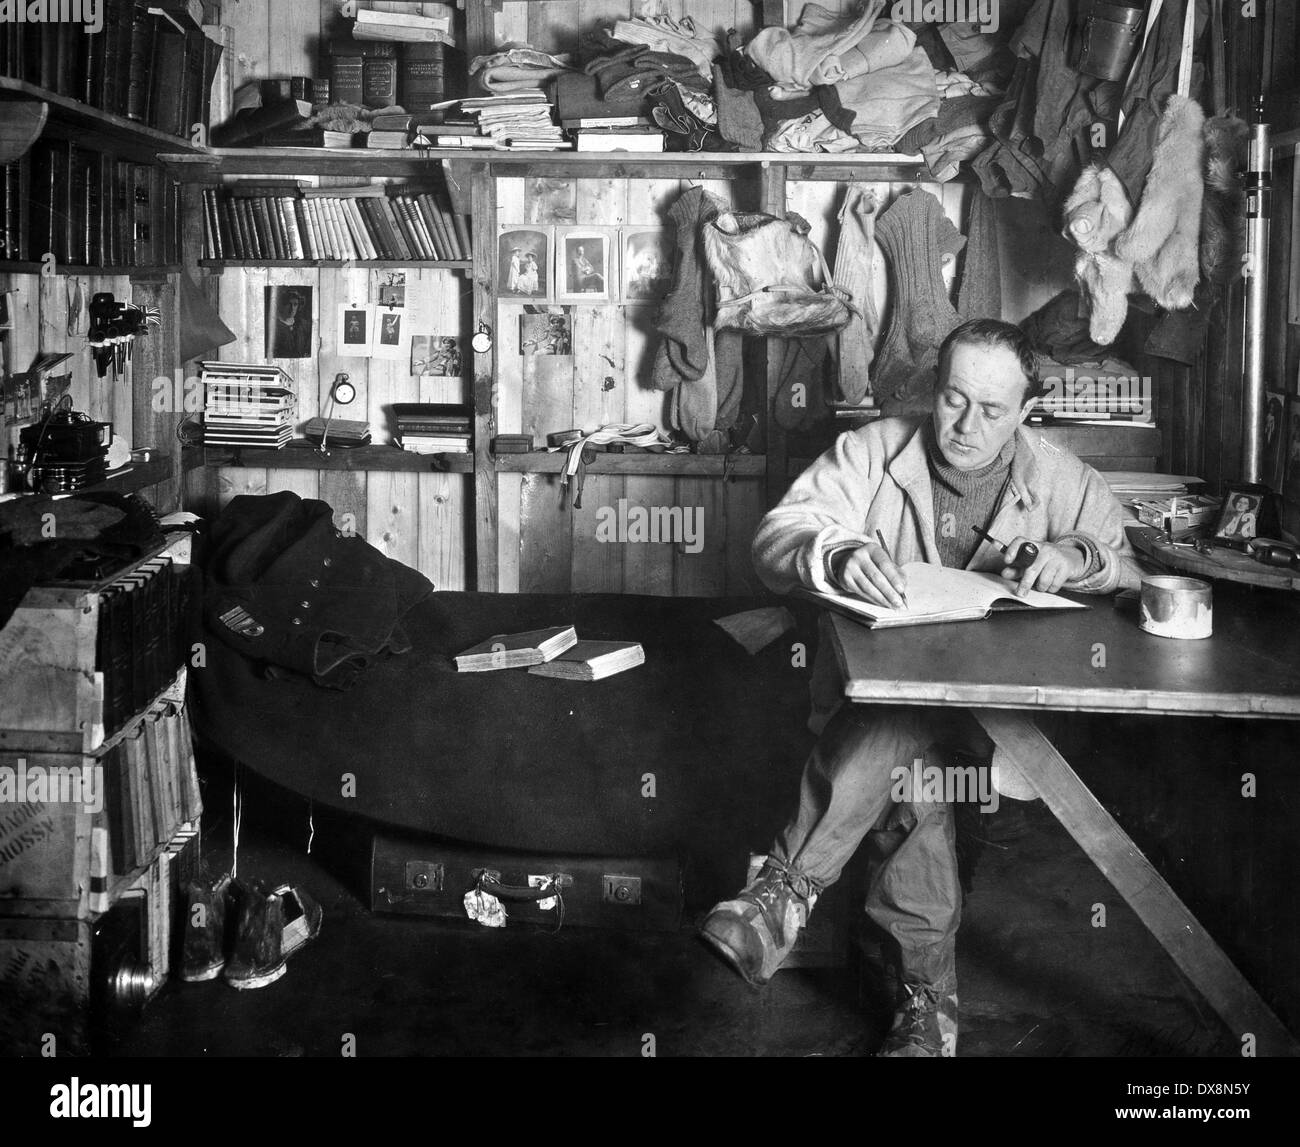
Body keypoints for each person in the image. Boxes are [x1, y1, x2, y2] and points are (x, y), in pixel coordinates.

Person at [699, 319, 1140, 1057]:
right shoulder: (873, 449)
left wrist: (1077, 553)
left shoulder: (1061, 476)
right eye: (953, 399)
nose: (966, 426)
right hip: (894, 717)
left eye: (993, 410)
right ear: (934, 389)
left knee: (905, 734)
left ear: (1028, 410)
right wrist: (833, 553)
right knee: (915, 770)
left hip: (1001, 726)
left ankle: (783, 891)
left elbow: (1127, 563)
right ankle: (928, 1010)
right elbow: (775, 537)